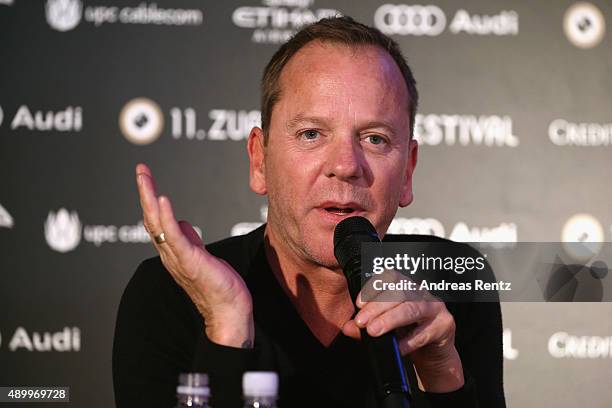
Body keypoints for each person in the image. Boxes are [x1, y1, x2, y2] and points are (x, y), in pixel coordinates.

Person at [113, 16, 505, 408]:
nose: (346, 164)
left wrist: (441, 372)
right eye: (311, 134)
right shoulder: (172, 294)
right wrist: (226, 327)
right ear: (259, 160)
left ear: (408, 172)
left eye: (374, 138)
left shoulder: (453, 281)